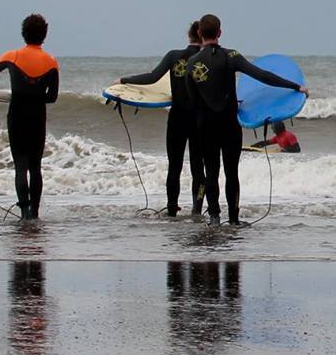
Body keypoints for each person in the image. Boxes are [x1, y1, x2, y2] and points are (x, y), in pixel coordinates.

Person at [184, 14, 305, 225]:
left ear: (200, 33)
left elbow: (192, 100)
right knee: (232, 173)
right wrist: (295, 87)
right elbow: (262, 75)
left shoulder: (192, 63)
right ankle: (233, 219)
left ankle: (214, 217)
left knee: (211, 171)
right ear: (220, 33)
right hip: (229, 125)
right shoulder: (231, 56)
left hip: (205, 125)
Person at [0, 14, 61, 220]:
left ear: (23, 33)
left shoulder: (12, 56)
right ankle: (35, 213)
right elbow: (52, 97)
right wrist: (35, 96)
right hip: (37, 117)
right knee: (36, 168)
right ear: (44, 35)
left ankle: (24, 211)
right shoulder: (51, 62)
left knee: (20, 166)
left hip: (17, 115)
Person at [118, 21, 208, 217]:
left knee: (174, 165)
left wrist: (125, 80)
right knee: (198, 167)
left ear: (189, 35)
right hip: (199, 119)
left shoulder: (174, 56)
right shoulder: (207, 57)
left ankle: (172, 209)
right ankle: (197, 210)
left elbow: (152, 77)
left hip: (177, 117)